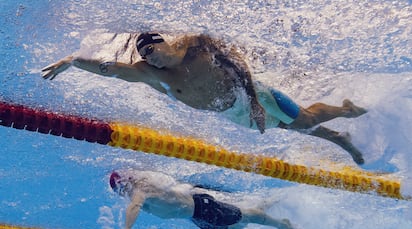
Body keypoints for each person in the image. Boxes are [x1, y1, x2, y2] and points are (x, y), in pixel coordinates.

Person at [41, 32, 367, 164]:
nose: (149, 58)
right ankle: (340, 135)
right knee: (296, 128)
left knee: (306, 120)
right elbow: (111, 69)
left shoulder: (197, 47)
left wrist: (254, 101)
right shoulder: (152, 73)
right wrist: (72, 61)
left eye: (151, 50)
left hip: (253, 95)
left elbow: (238, 64)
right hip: (231, 113)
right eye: (144, 55)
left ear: (163, 43)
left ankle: (343, 115)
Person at [109, 170, 299, 229]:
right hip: (195, 217)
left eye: (123, 188)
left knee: (243, 216)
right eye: (121, 191)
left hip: (201, 208)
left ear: (129, 182)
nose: (124, 193)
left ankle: (280, 224)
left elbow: (135, 205)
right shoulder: (137, 190)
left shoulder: (141, 188)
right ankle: (266, 204)